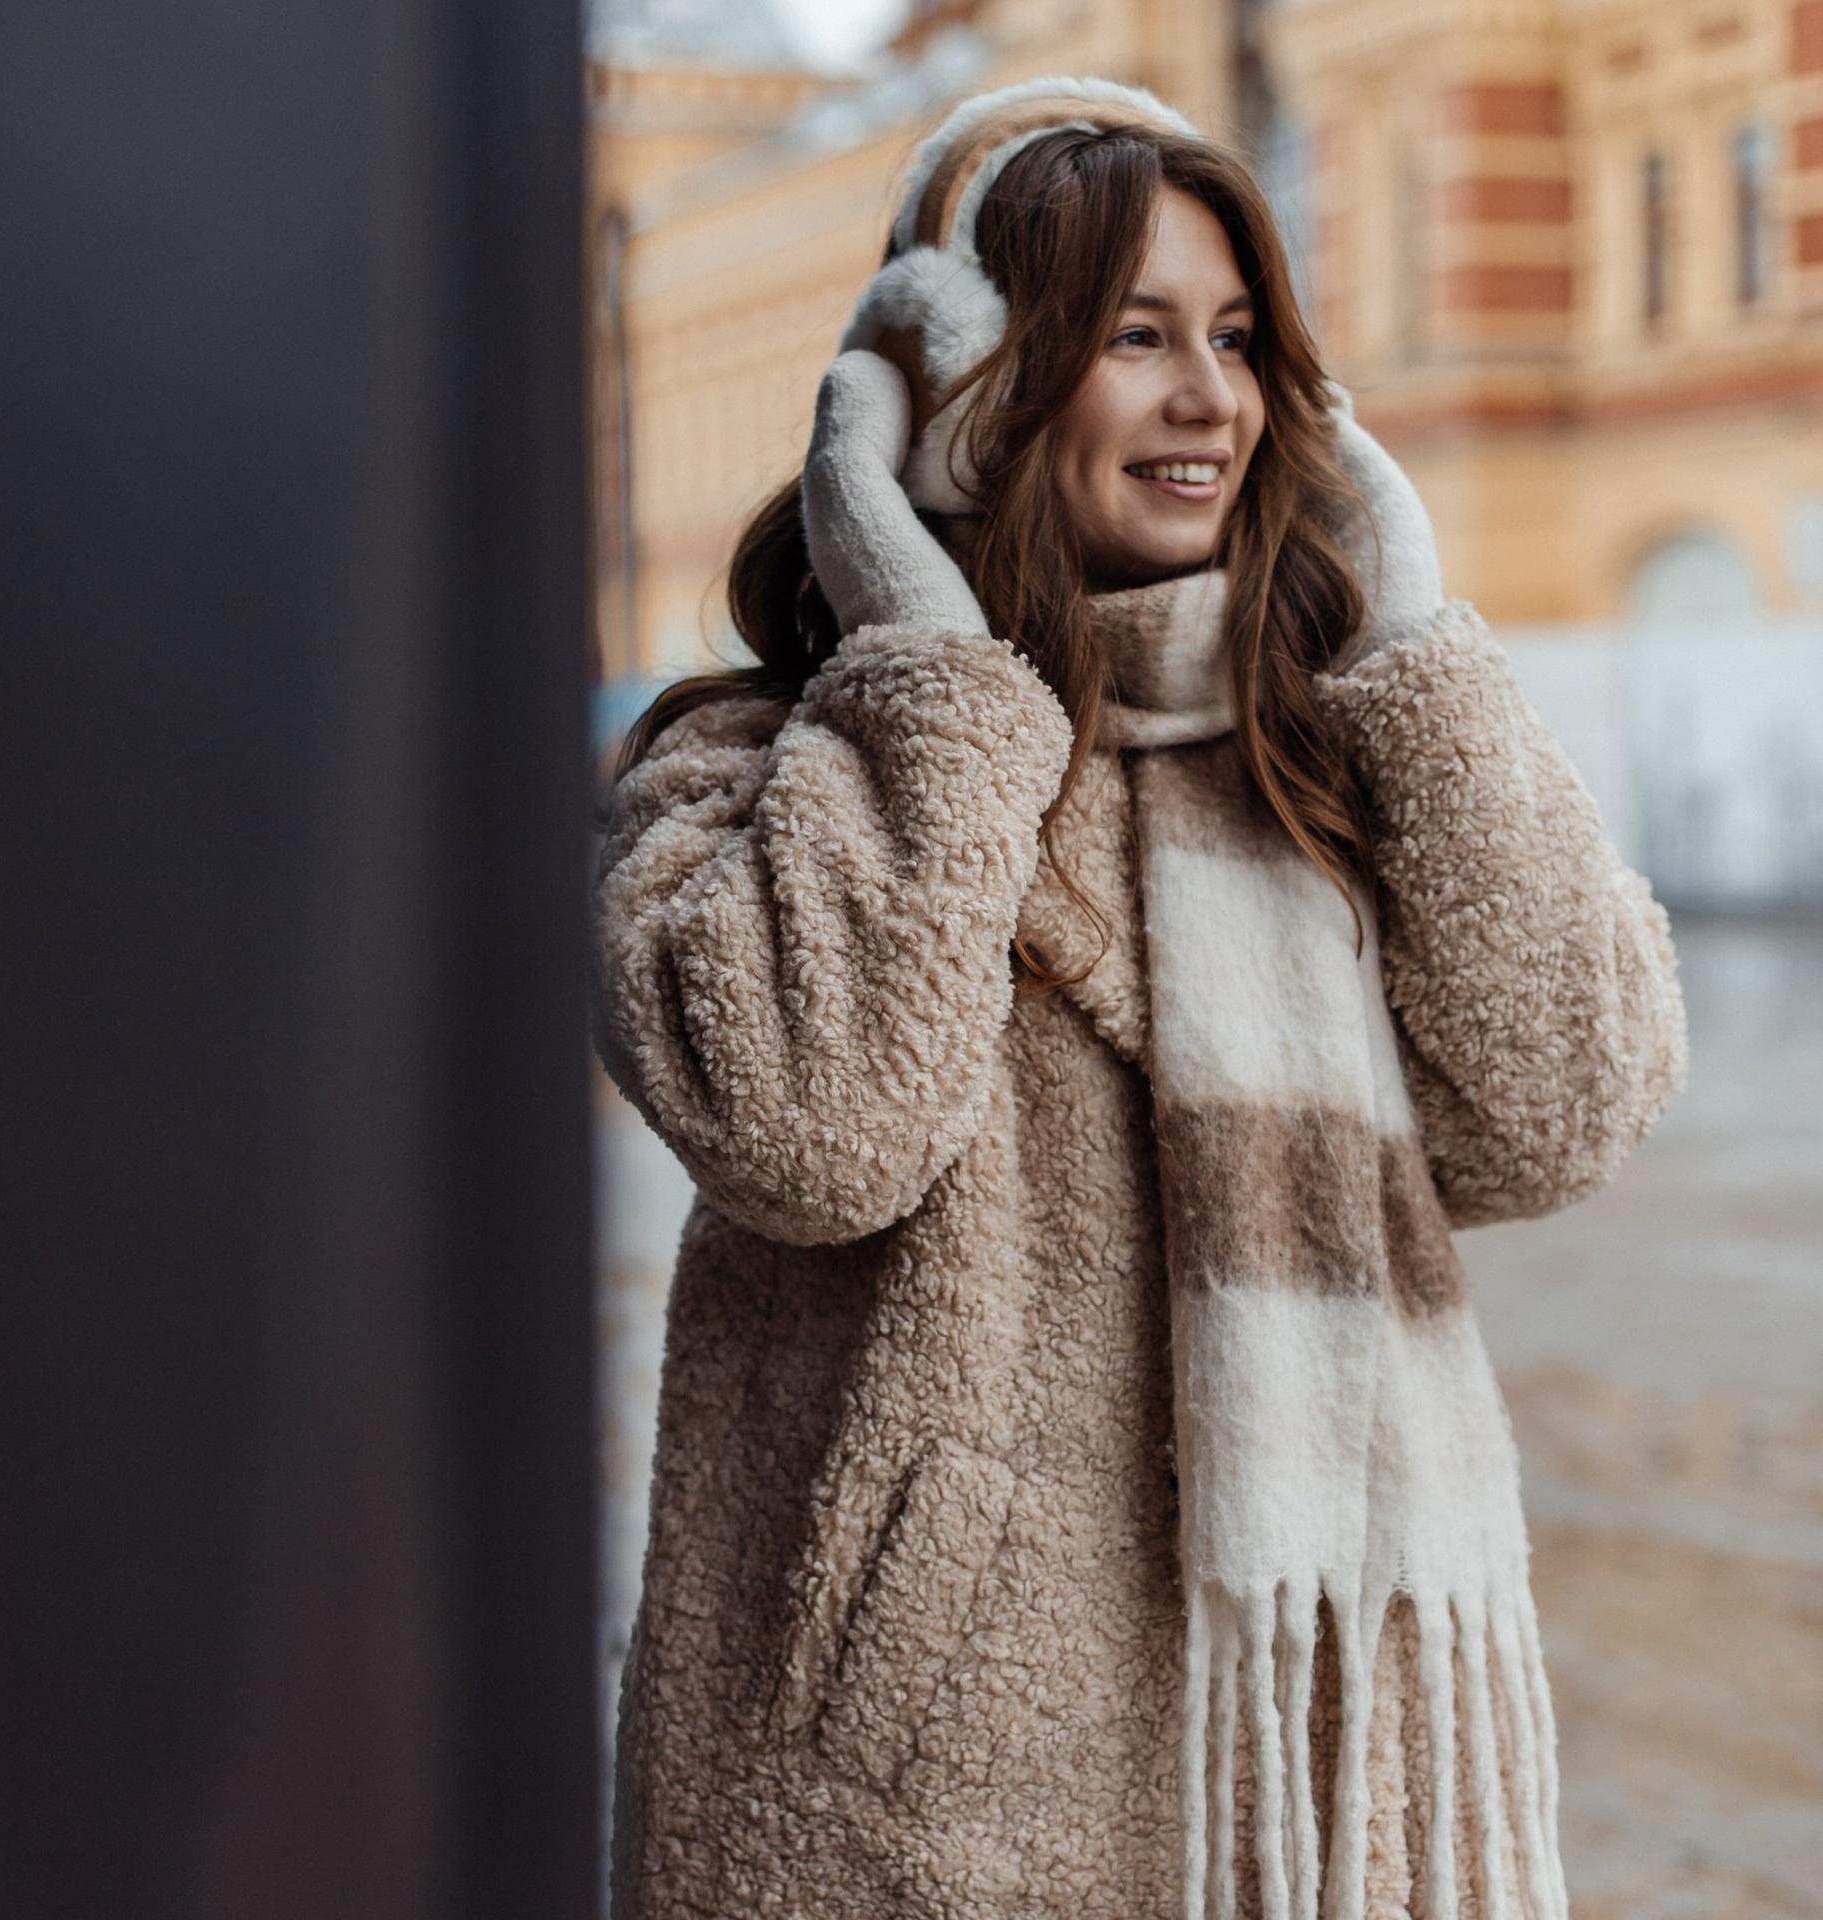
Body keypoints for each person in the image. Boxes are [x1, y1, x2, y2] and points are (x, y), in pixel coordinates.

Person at [595, 78, 1686, 1920]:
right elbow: (815, 1136)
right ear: (957, 391)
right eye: (1137, 338)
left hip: (1313, 1775)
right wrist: (923, 654)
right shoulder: (751, 777)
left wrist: (1406, 624)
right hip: (916, 1806)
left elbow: (1567, 1103)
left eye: (1244, 343)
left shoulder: (1330, 763)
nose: (1213, 403)